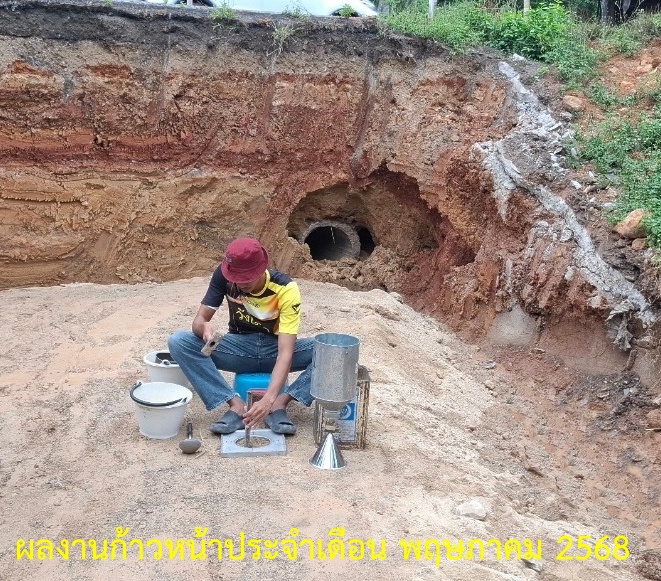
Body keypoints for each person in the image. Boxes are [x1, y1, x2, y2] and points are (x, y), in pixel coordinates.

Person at [168, 237, 314, 435]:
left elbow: (285, 353)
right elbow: (199, 320)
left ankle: (281, 403)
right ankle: (235, 405)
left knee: (334, 352)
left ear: (262, 269)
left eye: (247, 278)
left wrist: (269, 399)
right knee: (179, 342)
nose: (241, 283)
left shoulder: (286, 289)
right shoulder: (223, 275)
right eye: (236, 277)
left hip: (275, 350)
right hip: (237, 349)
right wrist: (204, 328)